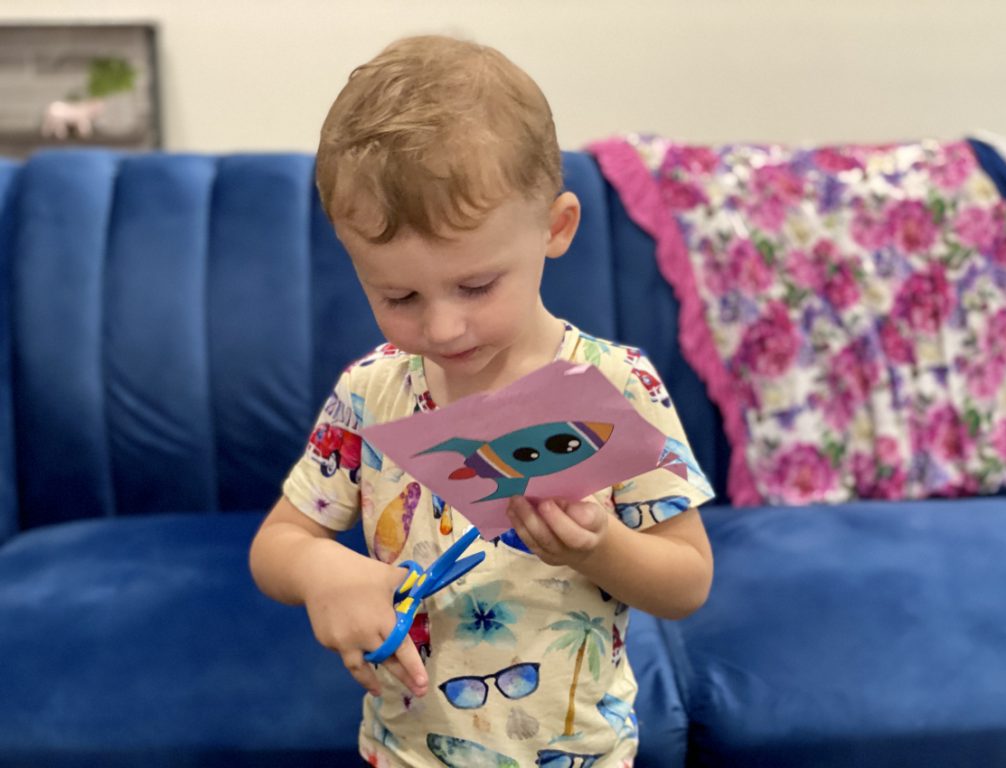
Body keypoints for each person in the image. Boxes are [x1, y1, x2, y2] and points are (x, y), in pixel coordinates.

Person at [249, 34, 715, 768]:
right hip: (402, 754)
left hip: (581, 755)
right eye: (397, 295)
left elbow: (687, 582)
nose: (441, 327)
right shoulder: (371, 390)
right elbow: (275, 545)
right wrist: (320, 572)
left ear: (556, 229)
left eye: (475, 286)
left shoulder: (617, 385)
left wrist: (599, 546)